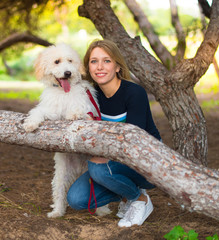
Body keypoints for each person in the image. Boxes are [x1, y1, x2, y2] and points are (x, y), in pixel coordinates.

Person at [67, 39, 162, 227]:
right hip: (110, 162)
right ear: (88, 67)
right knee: (76, 199)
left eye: (107, 61)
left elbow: (134, 141)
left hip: (147, 162)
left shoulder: (134, 93)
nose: (100, 67)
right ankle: (129, 194)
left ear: (117, 66)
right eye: (94, 61)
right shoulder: (90, 94)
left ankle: (139, 200)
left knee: (98, 168)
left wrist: (101, 158)